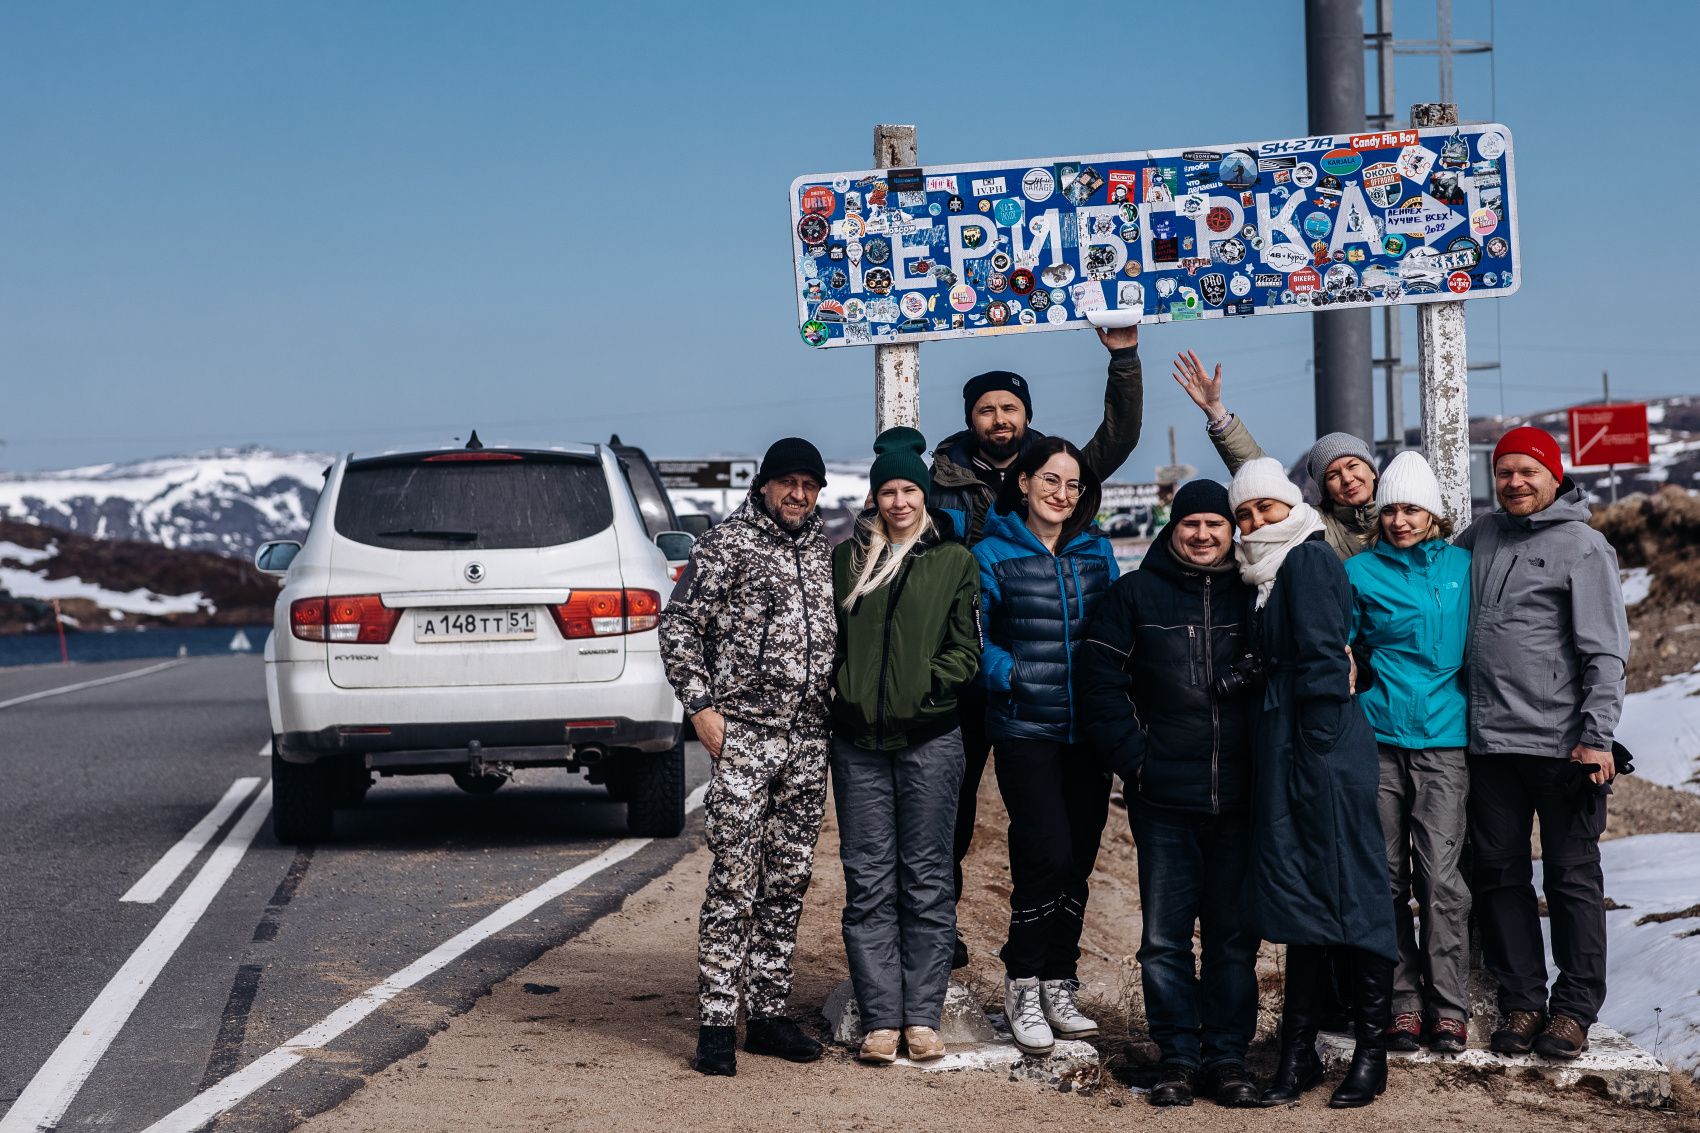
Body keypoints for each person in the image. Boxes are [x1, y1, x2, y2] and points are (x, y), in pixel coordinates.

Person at [934, 325, 1145, 969]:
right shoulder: (942, 478)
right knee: (952, 811)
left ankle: (1048, 967)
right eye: (987, 409)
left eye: (1010, 408)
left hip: (1055, 692)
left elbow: (1120, 435)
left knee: (1060, 838)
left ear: (1026, 416)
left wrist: (1124, 360)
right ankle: (939, 929)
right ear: (971, 417)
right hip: (979, 665)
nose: (1000, 418)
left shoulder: (1058, 470)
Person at [1078, 480, 1262, 1108]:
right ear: (1173, 528)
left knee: (1234, 938)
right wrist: (1137, 763)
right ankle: (1178, 1055)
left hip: (1243, 796)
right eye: (1192, 524)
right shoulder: (1134, 594)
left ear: (1232, 531)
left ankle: (1228, 1058)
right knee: (1163, 938)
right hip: (1164, 799)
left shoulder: (1256, 593)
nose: (1204, 535)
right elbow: (1100, 682)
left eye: (1216, 524)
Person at [659, 437, 838, 1077]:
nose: (798, 494)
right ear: (764, 485)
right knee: (736, 878)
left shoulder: (824, 549)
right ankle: (714, 1021)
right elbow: (678, 627)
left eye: (809, 484)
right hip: (746, 739)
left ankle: (765, 1014)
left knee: (788, 881)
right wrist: (701, 707)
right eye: (787, 482)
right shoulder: (726, 545)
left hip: (808, 742)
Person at [1227, 457, 1397, 1109]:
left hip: (1319, 748)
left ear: (1290, 506)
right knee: (1304, 895)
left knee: (1352, 888)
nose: (1255, 520)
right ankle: (1296, 1052)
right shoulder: (1266, 572)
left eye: (1265, 507)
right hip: (1290, 745)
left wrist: (1314, 751)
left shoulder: (1308, 558)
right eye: (1245, 513)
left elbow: (1328, 660)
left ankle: (1371, 1053)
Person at [1459, 426, 1629, 1060]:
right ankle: (1523, 1000)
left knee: (1571, 878)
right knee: (1499, 875)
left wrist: (1597, 737)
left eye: (1529, 471)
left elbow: (1606, 652)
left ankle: (1575, 1009)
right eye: (1505, 472)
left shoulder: (1584, 547)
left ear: (1555, 475)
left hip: (1563, 748)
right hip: (1488, 746)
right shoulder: (1480, 537)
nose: (1516, 482)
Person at [830, 428, 982, 1065]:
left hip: (929, 742)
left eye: (908, 490)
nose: (898, 501)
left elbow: (966, 649)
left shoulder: (952, 561)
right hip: (857, 744)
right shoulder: (846, 561)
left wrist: (927, 691)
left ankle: (922, 1016)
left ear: (924, 496)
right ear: (873, 497)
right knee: (867, 881)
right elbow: (829, 641)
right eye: (887, 491)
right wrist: (843, 690)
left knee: (925, 879)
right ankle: (879, 1019)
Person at [971, 436, 1119, 1056]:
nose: (1062, 494)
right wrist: (1017, 678)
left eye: (1073, 485)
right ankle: (1023, 980)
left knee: (1079, 860)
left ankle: (1060, 977)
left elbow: (1116, 629)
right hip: (1026, 728)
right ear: (1025, 482)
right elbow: (973, 638)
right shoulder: (991, 553)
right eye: (1051, 481)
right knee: (1046, 854)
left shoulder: (1096, 551)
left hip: (1089, 731)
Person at [1344, 452, 1473, 1054]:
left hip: (1447, 740)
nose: (1399, 520)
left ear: (1434, 514)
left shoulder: (1464, 569)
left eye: (1411, 509)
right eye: (1390, 509)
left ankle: (1449, 1007)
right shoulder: (1361, 571)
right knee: (1387, 877)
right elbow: (1338, 641)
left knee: (1442, 879)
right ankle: (1402, 1003)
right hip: (1380, 737)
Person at [1172, 350, 1379, 559]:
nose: (1347, 478)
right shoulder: (1313, 525)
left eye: (1353, 466)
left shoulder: (1404, 512)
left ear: (1372, 470)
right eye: (1333, 475)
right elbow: (1259, 474)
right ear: (1325, 489)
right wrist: (1215, 411)